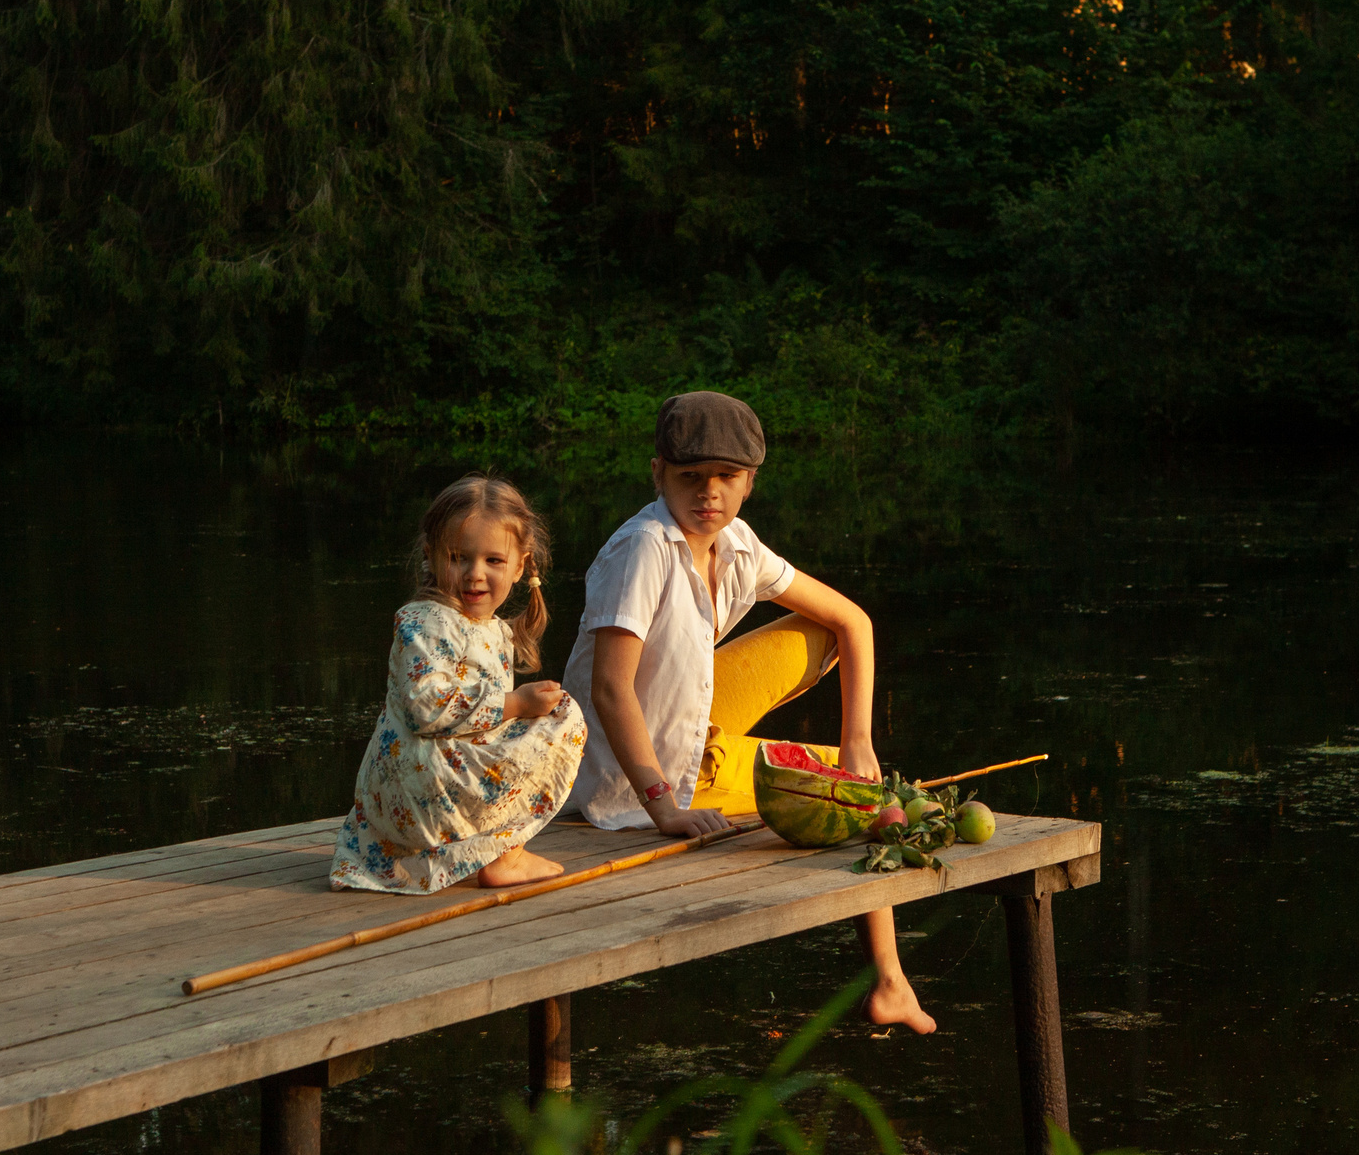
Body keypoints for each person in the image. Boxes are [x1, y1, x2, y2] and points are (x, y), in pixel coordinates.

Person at [561, 391, 936, 1034]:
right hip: (624, 770)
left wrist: (858, 740)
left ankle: (890, 984)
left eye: (727, 477)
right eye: (690, 476)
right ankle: (890, 982)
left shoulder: (737, 544)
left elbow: (855, 622)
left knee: (834, 674)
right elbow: (610, 691)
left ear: (749, 482)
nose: (709, 492)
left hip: (687, 721)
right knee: (859, 797)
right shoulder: (643, 549)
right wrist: (664, 809)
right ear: (658, 474)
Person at [330, 476, 587, 894]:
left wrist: (519, 706)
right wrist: (516, 704)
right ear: (430, 556)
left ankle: (479, 851)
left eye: (493, 560)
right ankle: (505, 855)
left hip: (412, 795)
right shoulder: (427, 620)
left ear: (520, 566)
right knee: (566, 718)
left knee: (550, 713)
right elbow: (427, 707)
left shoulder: (490, 628)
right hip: (420, 790)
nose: (475, 574)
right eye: (458, 558)